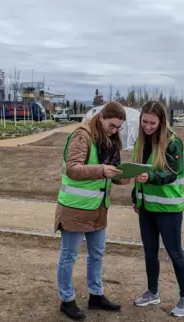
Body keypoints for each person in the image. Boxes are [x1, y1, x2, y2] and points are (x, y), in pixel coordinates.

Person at [55, 101, 131, 321]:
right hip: (75, 209)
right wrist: (102, 170)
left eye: (118, 127)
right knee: (69, 256)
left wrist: (122, 177)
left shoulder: (109, 140)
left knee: (97, 255)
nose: (114, 130)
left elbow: (110, 172)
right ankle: (66, 300)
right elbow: (73, 169)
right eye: (112, 125)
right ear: (100, 117)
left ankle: (96, 295)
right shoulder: (82, 136)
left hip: (98, 209)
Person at [131, 101, 184, 317]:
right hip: (146, 207)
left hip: (168, 209)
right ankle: (153, 292)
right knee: (150, 252)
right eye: (144, 121)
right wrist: (135, 197)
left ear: (161, 121)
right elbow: (138, 172)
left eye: (152, 123)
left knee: (175, 253)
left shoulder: (173, 142)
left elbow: (172, 173)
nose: (148, 126)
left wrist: (151, 177)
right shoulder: (141, 140)